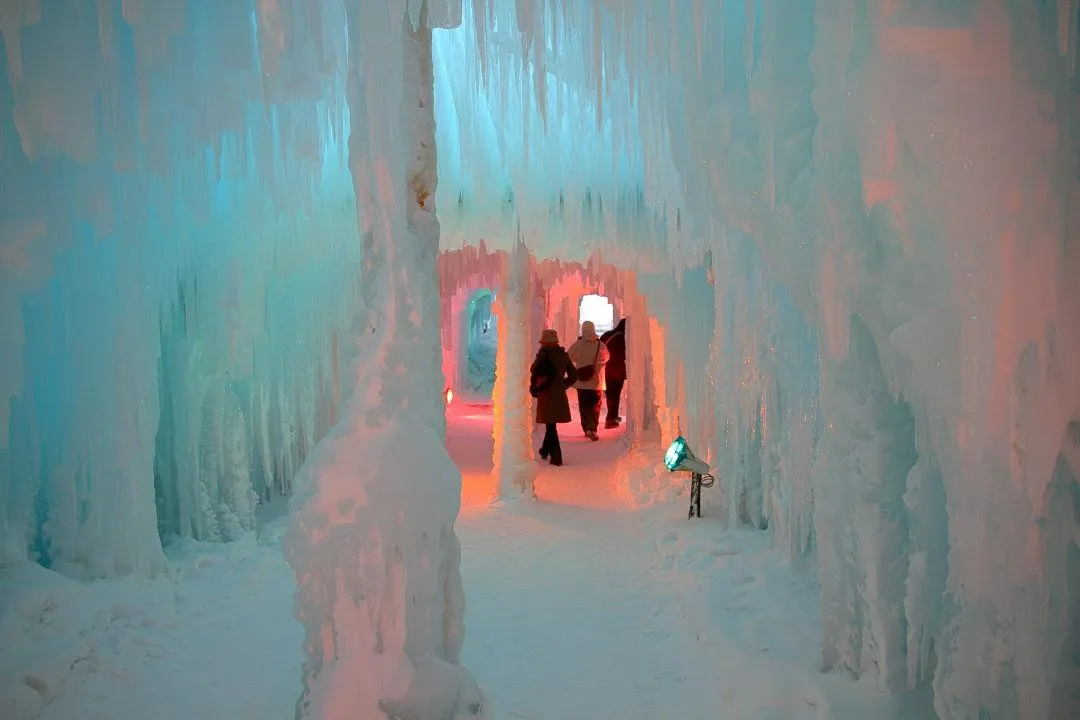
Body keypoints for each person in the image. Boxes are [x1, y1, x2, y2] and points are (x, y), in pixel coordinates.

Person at [529, 329, 577, 466]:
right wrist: (563, 385)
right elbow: (574, 376)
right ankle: (545, 450)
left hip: (545, 394)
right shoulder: (564, 356)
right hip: (559, 394)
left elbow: (533, 370)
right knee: (551, 424)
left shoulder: (543, 355)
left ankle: (557, 457)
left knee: (550, 426)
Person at [567, 321, 609, 441]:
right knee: (595, 406)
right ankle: (592, 428)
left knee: (584, 405)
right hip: (597, 382)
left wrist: (579, 360)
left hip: (582, 382)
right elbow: (607, 358)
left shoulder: (579, 344)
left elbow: (569, 355)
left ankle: (586, 428)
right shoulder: (601, 345)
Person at [600, 317, 626, 429]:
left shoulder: (607, 335)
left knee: (610, 394)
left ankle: (612, 416)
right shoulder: (625, 338)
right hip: (620, 371)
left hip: (606, 370)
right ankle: (611, 417)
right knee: (616, 394)